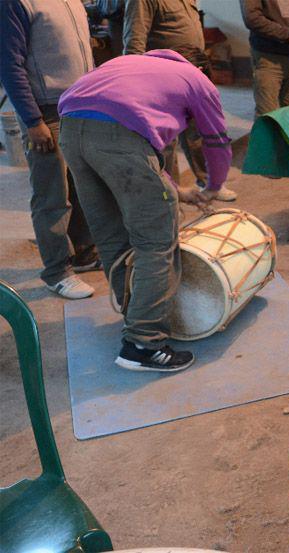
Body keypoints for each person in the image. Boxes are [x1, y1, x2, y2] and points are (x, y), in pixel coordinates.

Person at [58, 50, 232, 372]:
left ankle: (134, 315)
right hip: (118, 135)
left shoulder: (129, 64)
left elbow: (146, 153)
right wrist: (213, 187)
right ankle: (143, 343)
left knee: (111, 236)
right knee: (156, 242)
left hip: (70, 128)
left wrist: (177, 192)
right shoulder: (198, 81)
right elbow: (216, 141)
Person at [0, 0, 100, 300]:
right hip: (46, 111)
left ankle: (83, 253)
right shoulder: (16, 3)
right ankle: (57, 271)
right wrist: (33, 121)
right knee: (51, 195)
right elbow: (8, 63)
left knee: (82, 186)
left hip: (80, 104)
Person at [123, 0, 237, 202]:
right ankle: (170, 192)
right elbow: (134, 41)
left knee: (198, 131)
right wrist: (136, 80)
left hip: (191, 73)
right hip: (163, 80)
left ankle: (209, 182)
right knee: (166, 142)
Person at [240, 0, 289, 119]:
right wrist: (286, 34)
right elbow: (252, 18)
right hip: (268, 58)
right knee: (269, 115)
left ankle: (288, 138)